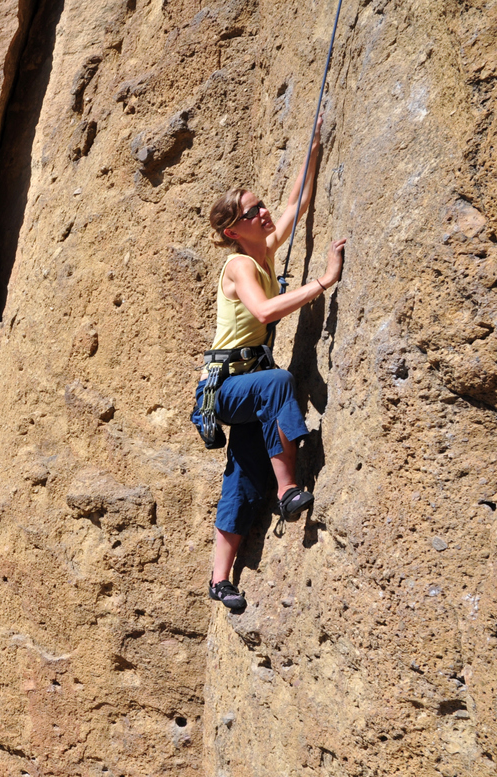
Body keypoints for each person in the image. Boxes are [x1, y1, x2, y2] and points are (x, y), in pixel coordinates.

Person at [192, 118, 346, 610]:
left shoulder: (262, 251)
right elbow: (262, 311)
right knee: (279, 381)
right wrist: (323, 282)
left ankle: (219, 579)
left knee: (243, 470)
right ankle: (288, 491)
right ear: (232, 229)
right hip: (225, 390)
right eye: (252, 209)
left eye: (260, 205)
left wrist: (314, 148)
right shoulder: (238, 264)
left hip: (245, 392)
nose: (263, 212)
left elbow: (295, 206)